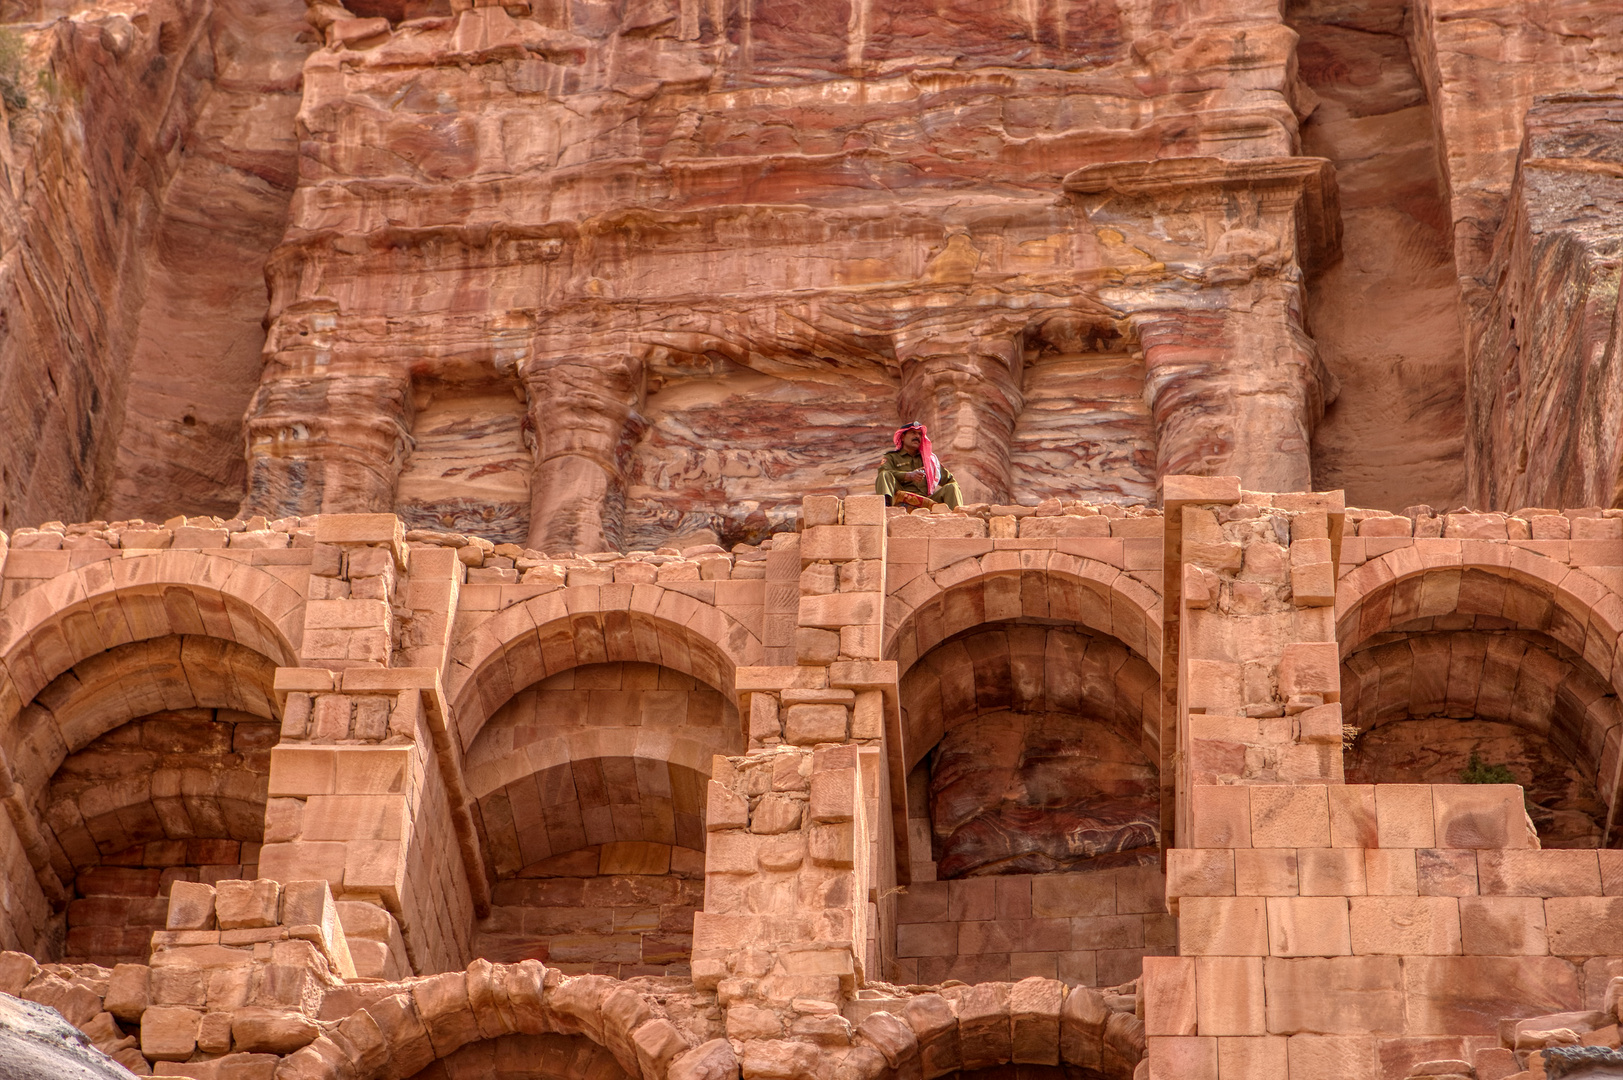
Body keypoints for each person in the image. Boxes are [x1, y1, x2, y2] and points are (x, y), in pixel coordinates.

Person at [875, 421, 964, 509]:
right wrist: (908, 476)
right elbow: (883, 473)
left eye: (919, 434)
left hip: (926, 501)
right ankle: (885, 509)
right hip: (901, 499)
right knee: (884, 474)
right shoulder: (892, 457)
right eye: (913, 433)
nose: (917, 436)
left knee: (952, 487)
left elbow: (951, 481)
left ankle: (958, 517)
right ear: (902, 437)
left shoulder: (929, 460)